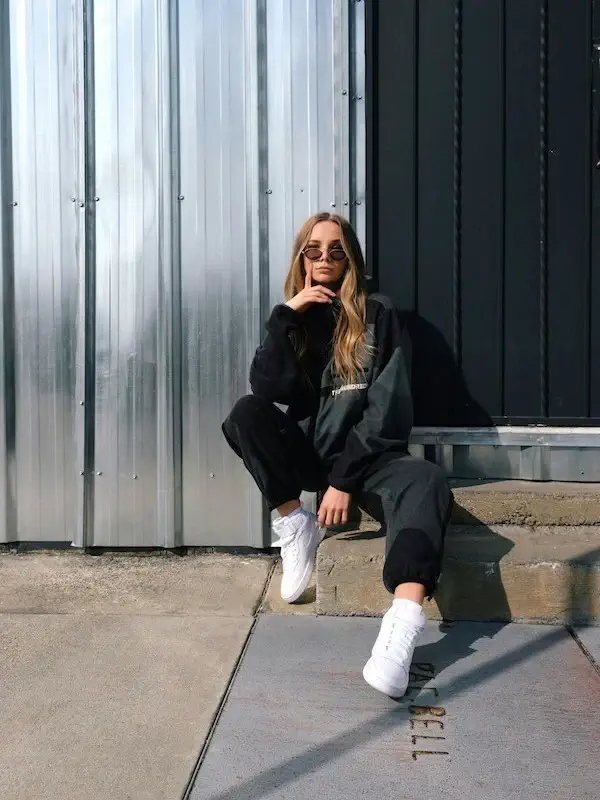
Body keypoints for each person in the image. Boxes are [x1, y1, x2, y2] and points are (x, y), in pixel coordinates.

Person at [222, 212, 453, 698]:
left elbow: (387, 408)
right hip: (311, 456)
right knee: (245, 413)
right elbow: (267, 388)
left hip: (369, 461)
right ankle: (295, 523)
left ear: (351, 260)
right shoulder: (296, 319)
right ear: (302, 258)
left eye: (336, 250)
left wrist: (344, 480)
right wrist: (285, 317)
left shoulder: (378, 315)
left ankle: (402, 625)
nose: (324, 258)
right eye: (313, 249)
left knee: (428, 481)